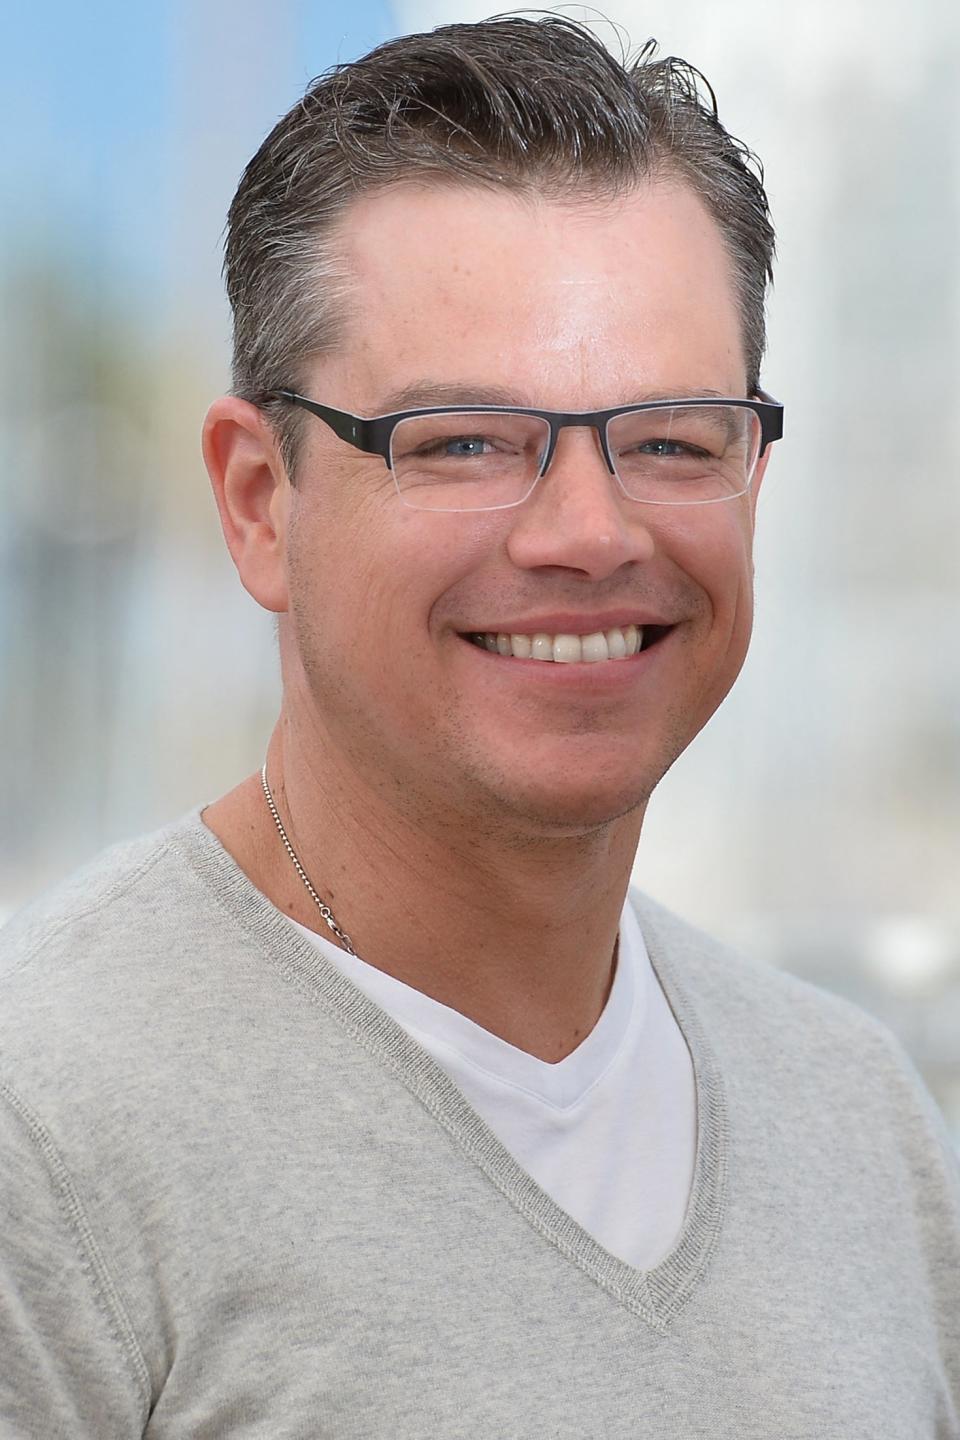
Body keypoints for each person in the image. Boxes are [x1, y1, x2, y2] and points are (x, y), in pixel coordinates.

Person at [1, 15, 958, 1437]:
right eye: (462, 441)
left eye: (673, 438)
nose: (588, 531)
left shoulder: (858, 1121)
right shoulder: (47, 1136)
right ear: (261, 502)